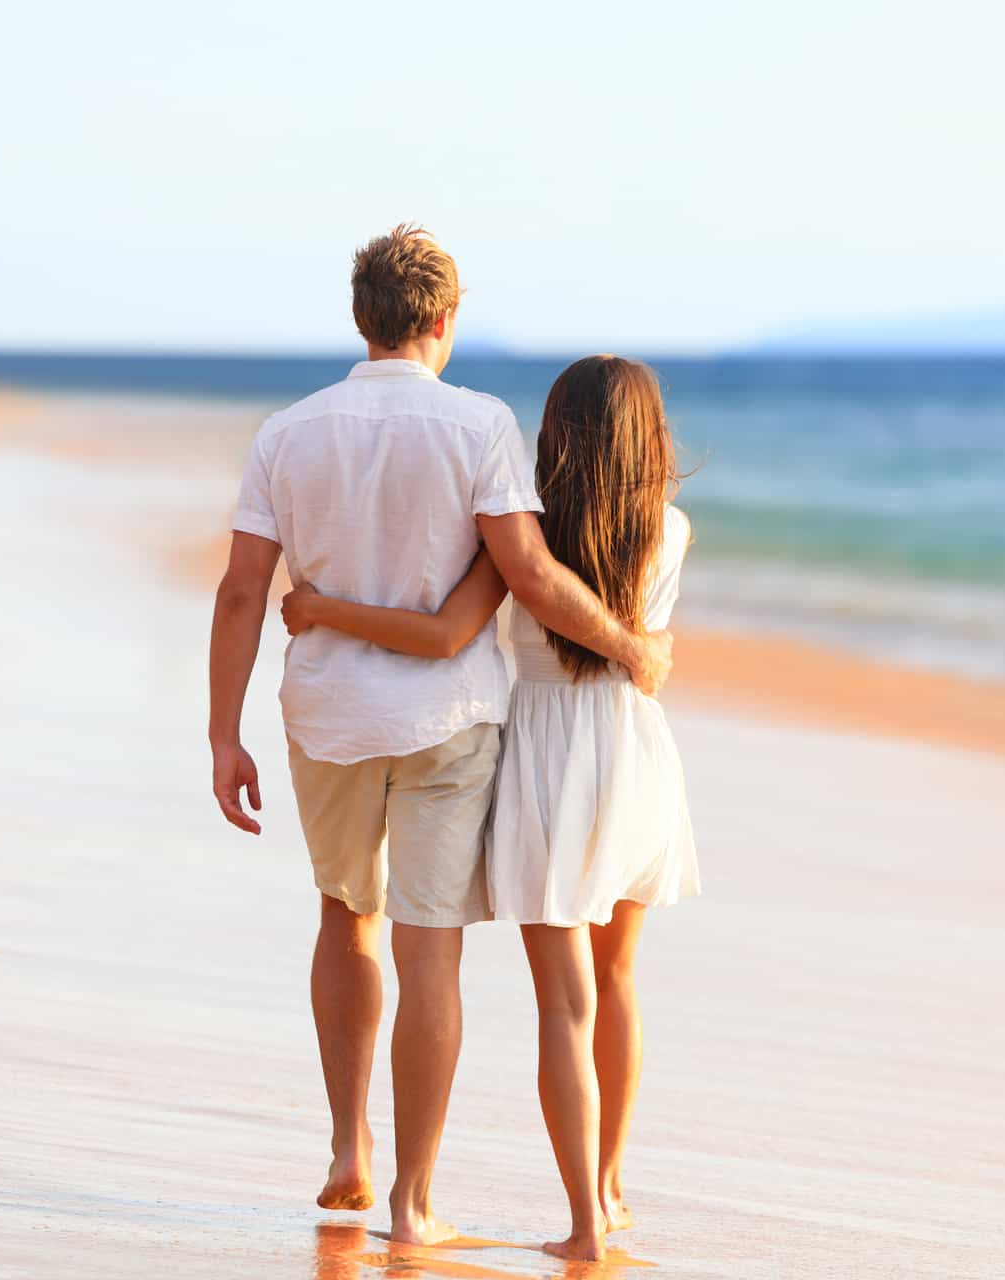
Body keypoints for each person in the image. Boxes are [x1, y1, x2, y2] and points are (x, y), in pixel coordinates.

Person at [206, 228, 673, 1247]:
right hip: (448, 721)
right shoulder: (478, 424)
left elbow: (244, 587)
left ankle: (347, 1145)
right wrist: (632, 649)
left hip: (327, 716)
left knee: (342, 913)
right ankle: (413, 1201)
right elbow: (532, 575)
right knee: (432, 955)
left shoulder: (288, 432)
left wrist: (221, 734)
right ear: (445, 321)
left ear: (361, 316)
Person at [280, 354, 699, 1262]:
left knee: (565, 1003)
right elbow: (651, 642)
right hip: (635, 755)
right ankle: (613, 1185)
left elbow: (443, 635)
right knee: (618, 978)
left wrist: (318, 607)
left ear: (557, 432)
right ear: (650, 438)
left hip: (550, 760)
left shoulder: (522, 538)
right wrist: (639, 650)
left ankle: (584, 1221)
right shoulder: (671, 528)